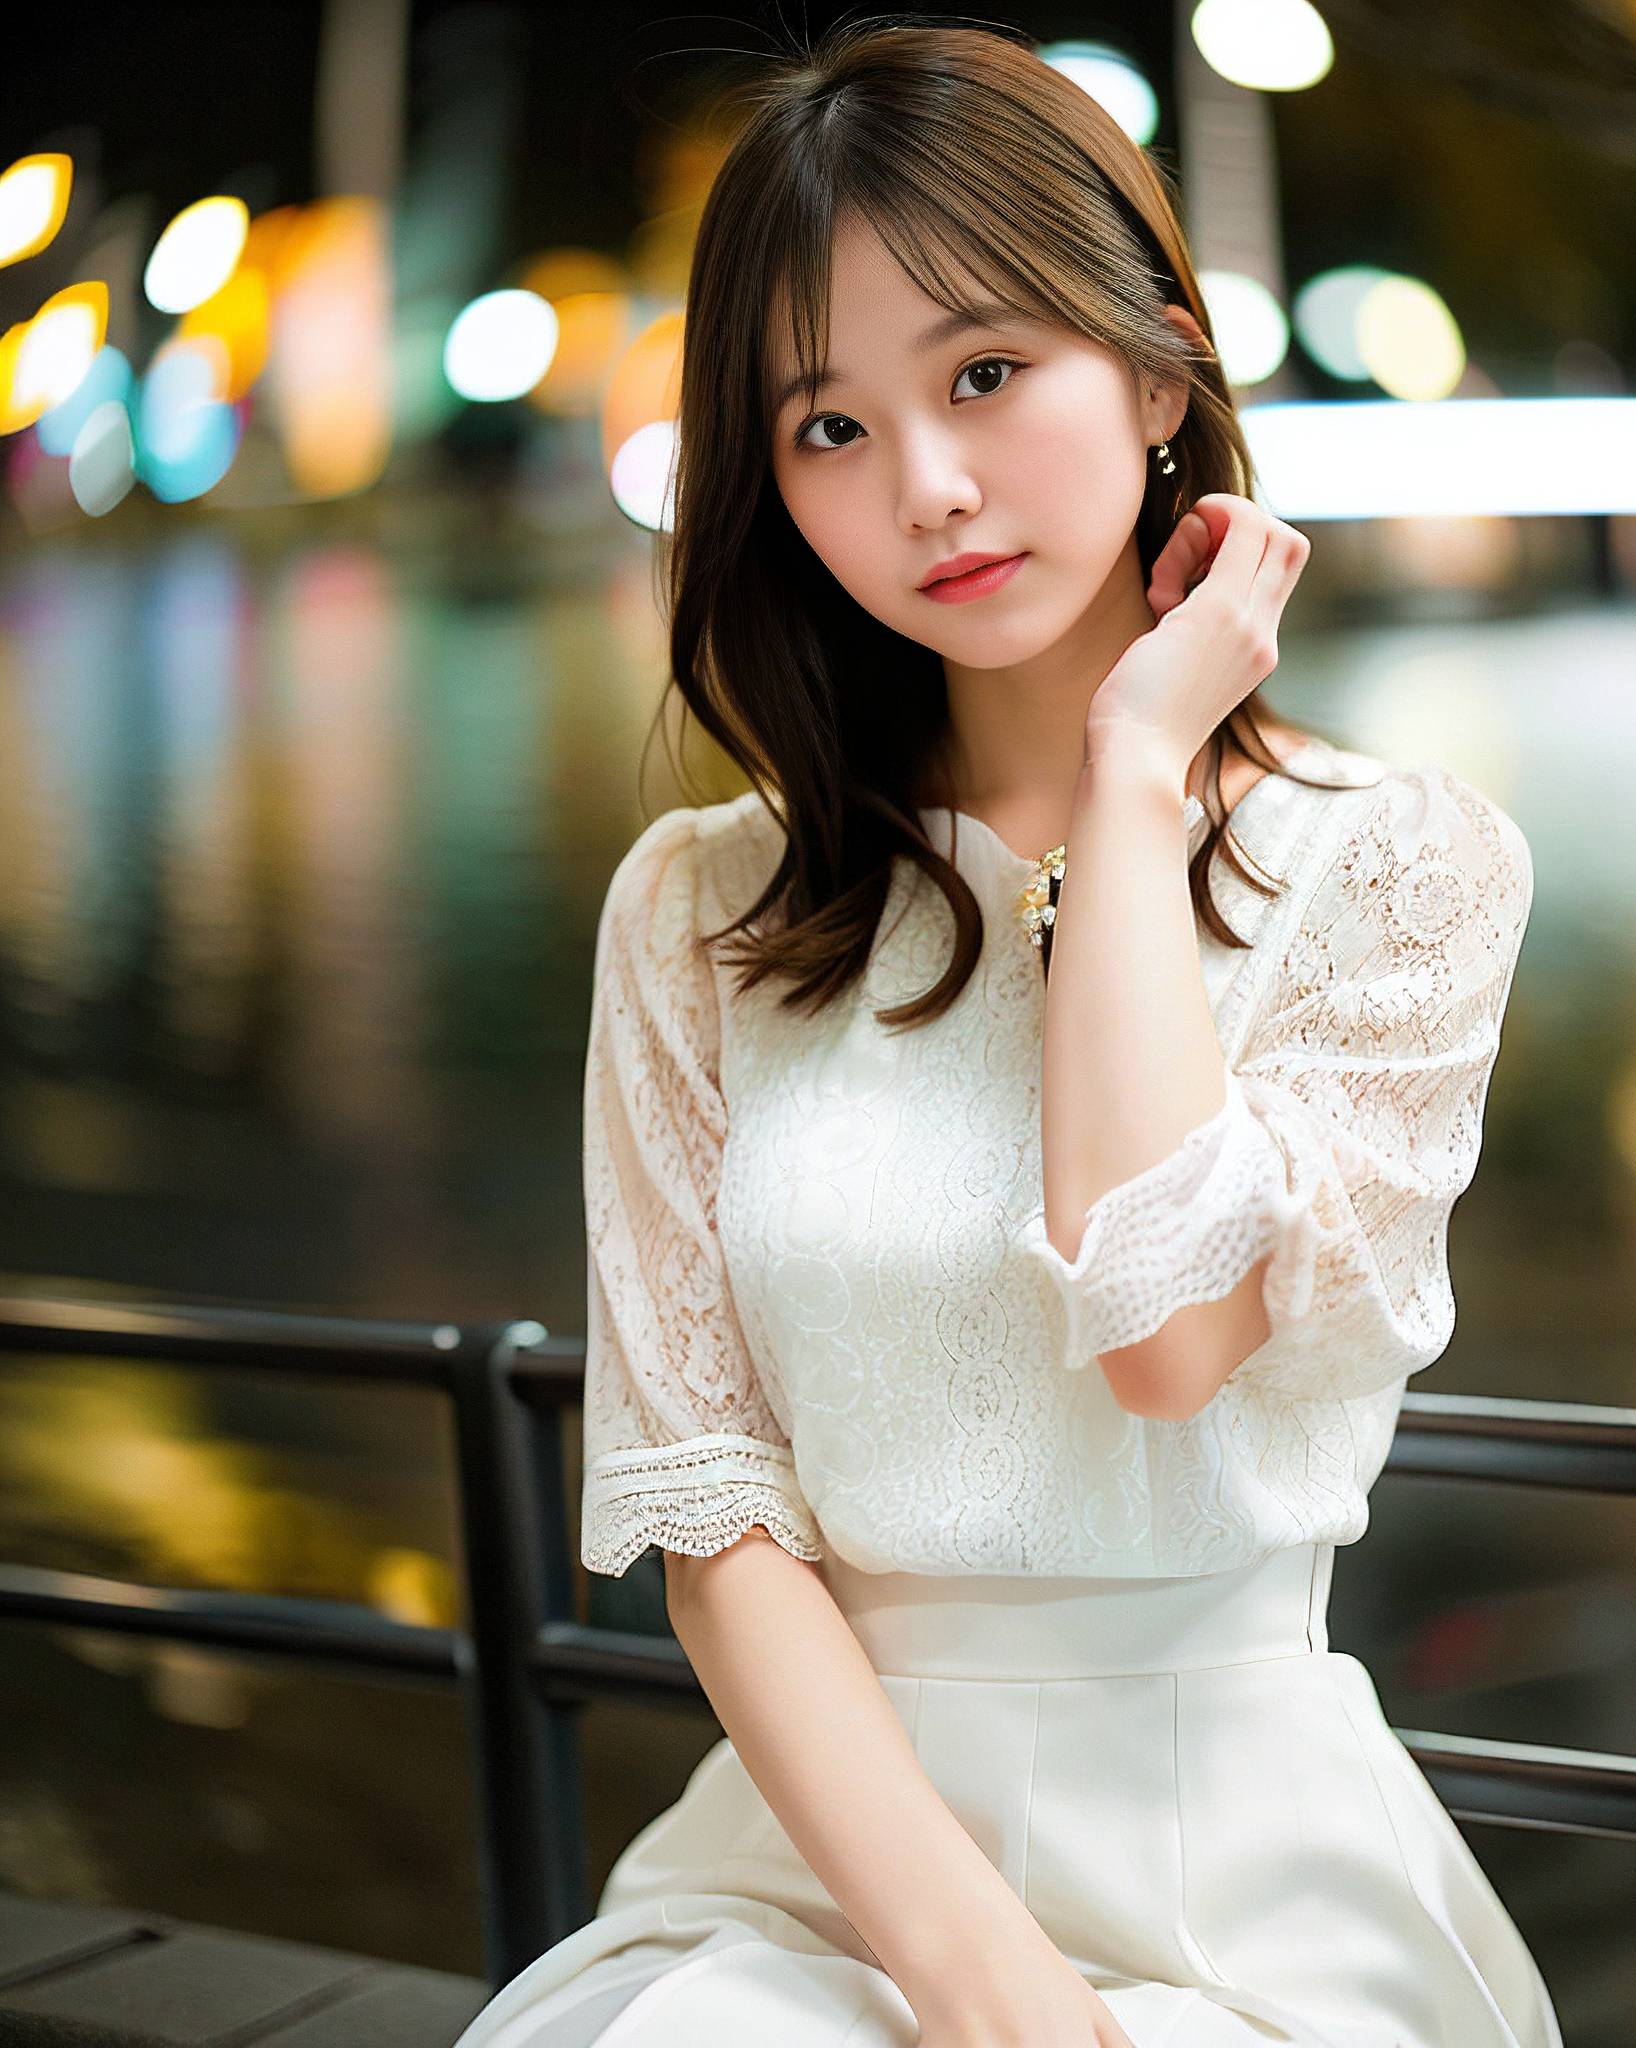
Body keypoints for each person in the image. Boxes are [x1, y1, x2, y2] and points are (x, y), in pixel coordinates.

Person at [454, 15, 1557, 2046]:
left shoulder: (1398, 866)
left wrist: (1138, 774)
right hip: (819, 1873)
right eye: (826, 428)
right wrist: (997, 2005)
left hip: (1238, 1870)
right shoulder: (701, 913)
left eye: (981, 372)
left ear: (1155, 369)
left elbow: (1162, 1334)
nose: (928, 488)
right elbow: (718, 1520)